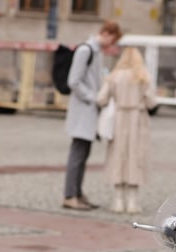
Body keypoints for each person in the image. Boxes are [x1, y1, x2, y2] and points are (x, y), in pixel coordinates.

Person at [62, 21, 123, 211]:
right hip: (83, 111)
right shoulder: (86, 50)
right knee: (78, 154)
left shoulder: (95, 52)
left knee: (82, 153)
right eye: (112, 39)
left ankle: (77, 193)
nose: (112, 44)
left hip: (88, 110)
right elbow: (74, 81)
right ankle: (70, 195)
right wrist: (93, 98)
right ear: (106, 33)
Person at [97, 47, 157, 214]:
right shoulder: (144, 77)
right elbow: (152, 101)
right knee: (135, 157)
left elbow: (101, 98)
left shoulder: (114, 77)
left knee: (118, 156)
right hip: (137, 120)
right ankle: (132, 201)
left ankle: (117, 200)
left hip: (119, 118)